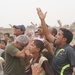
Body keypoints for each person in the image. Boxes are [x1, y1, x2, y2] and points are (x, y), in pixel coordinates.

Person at [37, 8, 75, 75]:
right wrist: (42, 20)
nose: (56, 36)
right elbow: (48, 34)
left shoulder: (69, 50)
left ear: (64, 39)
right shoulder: (58, 46)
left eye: (59, 34)